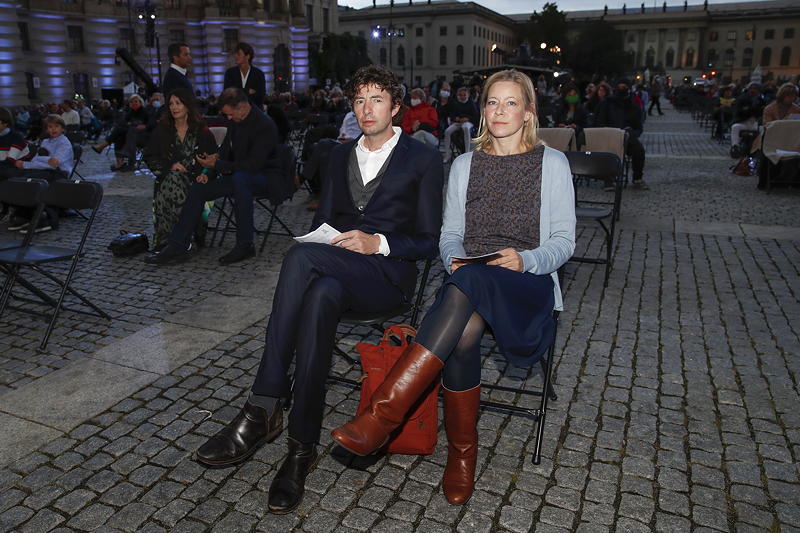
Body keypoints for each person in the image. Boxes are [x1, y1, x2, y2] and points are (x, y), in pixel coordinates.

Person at [193, 65, 443, 514]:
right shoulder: (337, 155)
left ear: (396, 106)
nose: (367, 109)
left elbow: (430, 241)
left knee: (301, 258)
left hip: (386, 281)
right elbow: (322, 223)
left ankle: (263, 403)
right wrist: (322, 238)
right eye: (359, 100)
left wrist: (378, 242)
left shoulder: (423, 159)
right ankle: (300, 449)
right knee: (319, 297)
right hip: (335, 275)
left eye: (377, 100)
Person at [331, 68, 575, 505]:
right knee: (462, 330)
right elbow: (449, 235)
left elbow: (563, 243)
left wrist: (526, 259)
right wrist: (454, 259)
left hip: (525, 282)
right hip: (470, 279)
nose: (500, 111)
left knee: (467, 286)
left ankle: (382, 417)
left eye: (511, 102)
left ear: (528, 111)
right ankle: (462, 453)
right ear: (482, 110)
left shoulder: (551, 163)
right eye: (492, 102)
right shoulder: (465, 164)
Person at [145, 87, 287, 266]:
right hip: (240, 177)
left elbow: (253, 166)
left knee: (241, 179)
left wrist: (217, 164)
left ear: (241, 107)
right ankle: (178, 244)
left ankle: (245, 243)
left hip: (267, 178)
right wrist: (210, 167)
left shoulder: (264, 125)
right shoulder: (236, 120)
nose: (227, 118)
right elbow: (225, 152)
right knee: (200, 187)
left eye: (229, 114)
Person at [143, 89, 218, 251]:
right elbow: (149, 156)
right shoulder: (162, 130)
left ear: (188, 106)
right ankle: (178, 239)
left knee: (173, 182)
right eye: (171, 103)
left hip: (196, 181)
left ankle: (170, 240)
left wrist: (205, 175)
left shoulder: (202, 131)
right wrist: (170, 166)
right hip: (169, 178)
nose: (174, 107)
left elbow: (214, 160)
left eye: (178, 103)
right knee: (173, 179)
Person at [5, 114, 74, 233]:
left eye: (56, 126)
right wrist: (44, 160)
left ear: (62, 128)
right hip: (43, 170)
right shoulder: (45, 142)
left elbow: (54, 163)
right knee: (18, 178)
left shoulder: (64, 143)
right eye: (50, 127)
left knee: (31, 182)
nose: (53, 129)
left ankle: (46, 218)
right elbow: (38, 160)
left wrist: (30, 164)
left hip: (58, 174)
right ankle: (25, 213)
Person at [593, 78, 648, 189]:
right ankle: (608, 179)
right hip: (609, 137)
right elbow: (599, 121)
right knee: (609, 151)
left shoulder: (634, 107)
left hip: (627, 138)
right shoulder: (607, 103)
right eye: (620, 87)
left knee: (639, 150)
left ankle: (637, 178)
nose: (622, 89)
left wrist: (632, 133)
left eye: (624, 87)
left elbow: (638, 126)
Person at [91, 94, 149, 171]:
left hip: (141, 135)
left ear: (140, 102)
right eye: (132, 102)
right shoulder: (131, 111)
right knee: (118, 137)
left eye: (136, 101)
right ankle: (119, 163)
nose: (134, 103)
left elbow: (147, 125)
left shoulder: (144, 111)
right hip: (130, 133)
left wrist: (133, 124)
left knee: (118, 131)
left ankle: (103, 147)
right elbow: (124, 122)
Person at [0, 107, 30, 220]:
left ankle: (7, 208)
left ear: (5, 123)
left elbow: (10, 161)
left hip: (20, 169)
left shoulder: (15, 137)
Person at [223, 42, 266, 110]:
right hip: (235, 113)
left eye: (239, 54)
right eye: (235, 54)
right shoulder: (230, 73)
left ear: (247, 56)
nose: (235, 56)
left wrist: (237, 91)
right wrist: (247, 91)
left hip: (254, 112)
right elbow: (227, 93)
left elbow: (260, 97)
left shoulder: (258, 74)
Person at [443, 86, 479, 162]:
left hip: (468, 122)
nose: (462, 97)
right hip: (458, 122)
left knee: (465, 128)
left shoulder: (471, 103)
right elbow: (451, 114)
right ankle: (447, 154)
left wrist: (467, 119)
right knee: (447, 131)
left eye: (464, 95)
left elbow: (476, 116)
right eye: (461, 95)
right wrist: (455, 118)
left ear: (467, 95)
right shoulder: (455, 103)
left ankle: (467, 153)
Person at [730, 82, 765, 156]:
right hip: (743, 122)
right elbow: (738, 111)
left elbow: (762, 111)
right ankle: (735, 146)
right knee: (735, 127)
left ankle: (759, 148)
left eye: (755, 89)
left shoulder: (760, 99)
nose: (753, 90)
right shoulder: (742, 98)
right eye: (751, 88)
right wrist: (749, 110)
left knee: (763, 129)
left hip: (754, 123)